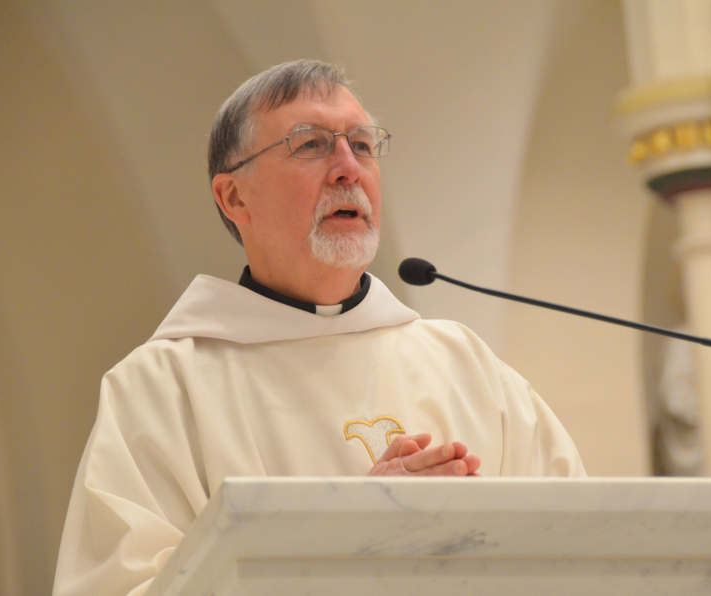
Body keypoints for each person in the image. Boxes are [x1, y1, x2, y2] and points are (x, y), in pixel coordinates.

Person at [53, 59, 584, 596]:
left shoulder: (464, 365)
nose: (348, 167)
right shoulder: (164, 390)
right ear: (234, 198)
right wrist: (348, 537)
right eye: (311, 145)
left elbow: (586, 550)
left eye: (363, 144)